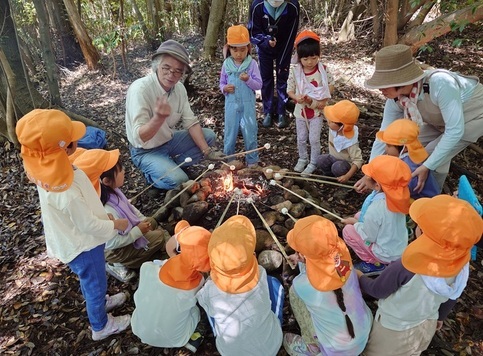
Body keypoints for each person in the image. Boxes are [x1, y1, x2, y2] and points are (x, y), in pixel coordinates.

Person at [15, 109, 131, 341]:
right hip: (82, 245)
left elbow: (82, 214)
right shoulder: (66, 192)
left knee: (95, 280)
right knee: (94, 283)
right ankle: (100, 325)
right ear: (65, 148)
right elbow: (87, 225)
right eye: (73, 138)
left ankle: (101, 301)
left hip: (72, 236)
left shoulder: (45, 166)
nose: (79, 139)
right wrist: (115, 223)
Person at [358, 195, 483, 355]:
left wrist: (360, 277)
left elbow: (378, 290)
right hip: (427, 323)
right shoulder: (461, 264)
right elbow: (453, 295)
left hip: (393, 329)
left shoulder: (409, 265)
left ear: (423, 232)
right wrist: (440, 317)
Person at [360, 44, 483, 193]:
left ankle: (428, 197)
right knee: (408, 147)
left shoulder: (440, 84)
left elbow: (455, 130)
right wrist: (370, 173)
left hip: (473, 117)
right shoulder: (394, 99)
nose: (380, 90)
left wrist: (427, 166)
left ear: (401, 81)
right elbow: (385, 136)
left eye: (384, 84)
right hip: (438, 121)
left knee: (427, 156)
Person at [125, 39, 225, 191]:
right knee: (180, 181)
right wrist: (158, 118)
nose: (171, 74)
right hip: (145, 151)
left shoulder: (178, 89)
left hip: (168, 141)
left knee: (209, 136)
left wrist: (207, 152)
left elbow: (190, 122)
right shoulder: (140, 89)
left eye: (178, 70)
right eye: (166, 68)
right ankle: (152, 176)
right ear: (156, 66)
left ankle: (169, 165)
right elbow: (140, 137)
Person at [74, 148, 171, 283]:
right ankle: (122, 263)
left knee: (151, 222)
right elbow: (112, 243)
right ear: (106, 181)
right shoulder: (106, 210)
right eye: (120, 170)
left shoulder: (111, 191)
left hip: (124, 232)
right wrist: (137, 232)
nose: (124, 171)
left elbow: (130, 208)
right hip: (115, 249)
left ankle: (141, 247)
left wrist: (142, 222)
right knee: (159, 237)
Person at [283, 215, 373, 356]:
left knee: (295, 297)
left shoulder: (301, 285)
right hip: (363, 331)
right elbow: (323, 265)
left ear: (303, 255)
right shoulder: (343, 260)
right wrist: (305, 258)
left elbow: (310, 279)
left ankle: (312, 348)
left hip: (335, 350)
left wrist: (305, 260)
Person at [196, 215, 283, 356]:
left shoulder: (209, 290)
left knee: (211, 311)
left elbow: (203, 302)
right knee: (274, 284)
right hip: (270, 347)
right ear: (252, 254)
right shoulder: (260, 273)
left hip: (228, 351)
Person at [131, 220, 211, 353]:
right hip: (176, 338)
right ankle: (195, 337)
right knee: (199, 311)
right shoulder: (196, 287)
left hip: (139, 328)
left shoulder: (147, 268)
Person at [342, 155, 411, 276]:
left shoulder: (375, 209)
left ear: (378, 186)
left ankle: (374, 263)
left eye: (367, 177)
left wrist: (355, 224)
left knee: (348, 231)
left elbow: (369, 238)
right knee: (359, 215)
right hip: (398, 246)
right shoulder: (398, 196)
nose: (365, 178)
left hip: (385, 253)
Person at [287, 29, 334, 176]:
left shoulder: (323, 71)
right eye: (305, 59)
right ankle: (302, 158)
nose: (310, 62)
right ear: (299, 57)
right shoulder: (295, 71)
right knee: (301, 137)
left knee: (314, 139)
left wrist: (323, 99)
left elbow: (331, 85)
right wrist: (296, 97)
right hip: (300, 111)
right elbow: (289, 89)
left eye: (314, 58)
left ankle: (314, 161)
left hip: (317, 111)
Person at [248, 0, 300, 128]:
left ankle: (281, 111)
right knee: (266, 78)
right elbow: (253, 32)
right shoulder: (257, 6)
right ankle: (268, 111)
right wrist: (266, 41)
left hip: (284, 46)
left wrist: (284, 56)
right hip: (264, 47)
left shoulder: (292, 6)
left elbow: (291, 34)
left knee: (283, 76)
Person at [220, 24, 263, 167]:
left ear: (248, 49)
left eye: (243, 49)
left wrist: (248, 80)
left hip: (247, 105)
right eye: (235, 49)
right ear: (229, 48)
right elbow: (221, 84)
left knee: (250, 131)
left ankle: (252, 161)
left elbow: (259, 85)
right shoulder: (226, 65)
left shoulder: (252, 64)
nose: (239, 54)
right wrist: (225, 88)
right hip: (231, 105)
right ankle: (229, 160)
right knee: (230, 133)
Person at [376, 118, 439, 199]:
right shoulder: (411, 156)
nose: (386, 149)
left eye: (388, 146)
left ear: (405, 148)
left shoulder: (410, 167)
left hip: (421, 200)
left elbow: (406, 190)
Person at [315, 100, 363, 182]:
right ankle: (330, 176)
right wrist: (310, 102)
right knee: (320, 160)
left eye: (331, 121)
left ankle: (341, 178)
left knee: (338, 167)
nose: (328, 121)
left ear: (342, 126)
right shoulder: (333, 127)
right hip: (333, 157)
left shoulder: (350, 141)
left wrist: (347, 176)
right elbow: (323, 108)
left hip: (345, 164)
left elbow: (358, 160)